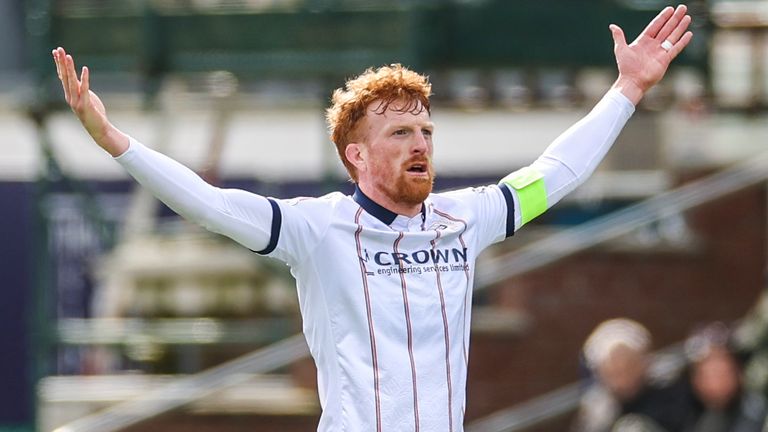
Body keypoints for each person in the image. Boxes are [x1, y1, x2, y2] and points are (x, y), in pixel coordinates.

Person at [52, 5, 693, 431]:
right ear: (356, 154)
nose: (420, 143)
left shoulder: (465, 218)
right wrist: (115, 142)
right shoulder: (315, 229)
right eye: (399, 132)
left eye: (425, 129)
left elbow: (556, 173)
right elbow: (211, 205)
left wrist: (627, 91)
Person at [571, 319, 689, 432]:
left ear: (644, 363)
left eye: (629, 365)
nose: (622, 376)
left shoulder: (669, 396)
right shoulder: (599, 410)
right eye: (613, 370)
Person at [680, 323, 768, 432]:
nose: (715, 384)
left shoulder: (758, 410)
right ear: (695, 382)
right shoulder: (702, 420)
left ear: (739, 373)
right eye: (707, 376)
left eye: (721, 373)